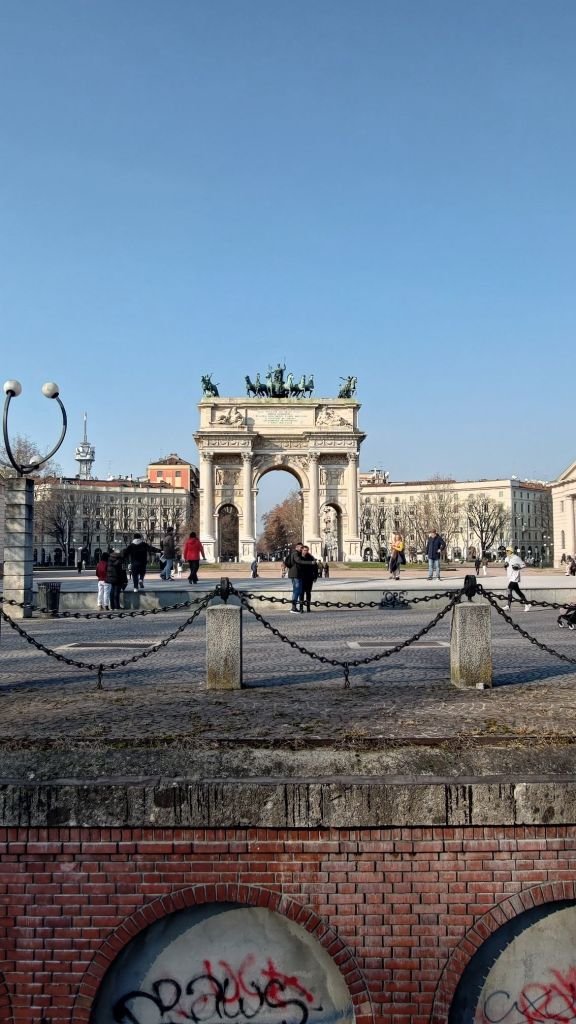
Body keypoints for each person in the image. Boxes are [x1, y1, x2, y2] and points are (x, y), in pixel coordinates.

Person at [293, 544, 319, 612]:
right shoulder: (299, 558)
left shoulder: (311, 557)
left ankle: (308, 607)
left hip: (309, 577)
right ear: (302, 550)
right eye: (304, 550)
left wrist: (315, 576)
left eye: (307, 550)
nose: (306, 552)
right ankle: (301, 608)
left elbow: (315, 568)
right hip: (301, 577)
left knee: (308, 593)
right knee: (301, 593)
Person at [504, 548, 531, 612]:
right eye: (506, 551)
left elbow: (524, 565)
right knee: (518, 592)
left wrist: (518, 567)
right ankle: (527, 604)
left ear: (511, 551)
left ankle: (508, 606)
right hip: (510, 577)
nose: (506, 552)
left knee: (509, 589)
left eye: (508, 551)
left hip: (515, 576)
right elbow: (507, 567)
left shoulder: (516, 558)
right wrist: (505, 566)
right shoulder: (506, 558)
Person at [284, 542, 304, 613]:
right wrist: (310, 562)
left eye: (302, 548)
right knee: (297, 591)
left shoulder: (294, 553)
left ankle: (295, 607)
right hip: (296, 574)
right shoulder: (295, 553)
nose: (302, 549)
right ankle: (293, 608)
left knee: (297, 590)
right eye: (301, 548)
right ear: (297, 547)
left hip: (295, 574)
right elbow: (298, 561)